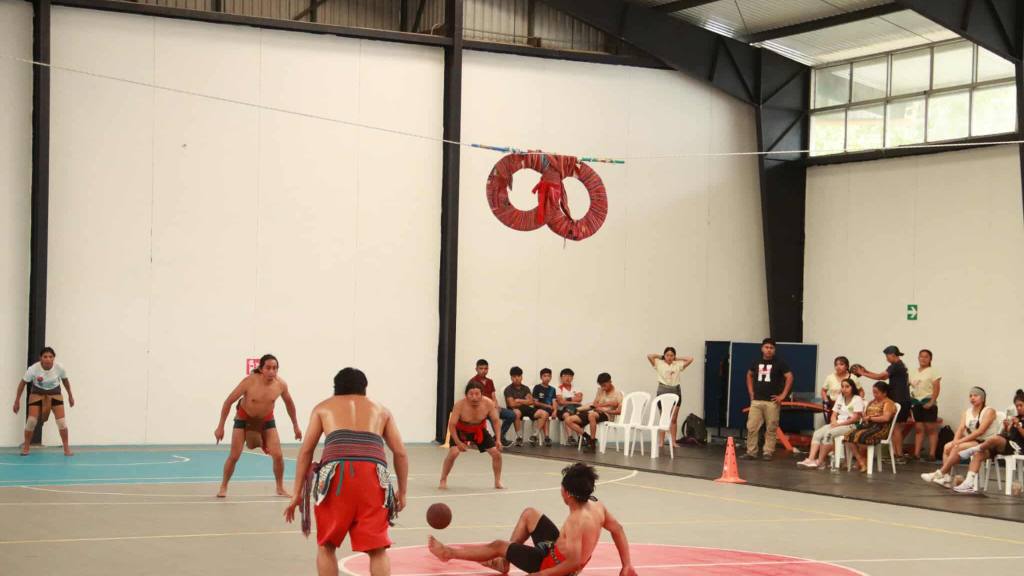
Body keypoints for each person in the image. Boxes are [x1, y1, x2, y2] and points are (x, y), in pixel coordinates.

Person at [284, 367, 408, 576]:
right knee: (378, 550)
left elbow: (306, 451)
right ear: (364, 388)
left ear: (336, 388)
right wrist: (402, 492)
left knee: (326, 546)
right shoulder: (382, 410)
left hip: (337, 477)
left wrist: (297, 493)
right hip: (373, 477)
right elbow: (401, 453)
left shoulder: (323, 408)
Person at [427, 463, 637, 576]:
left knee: (499, 545)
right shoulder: (596, 506)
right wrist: (626, 565)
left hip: (552, 566)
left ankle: (448, 553)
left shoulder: (576, 521)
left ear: (567, 494)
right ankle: (503, 563)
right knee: (530, 514)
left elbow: (573, 563)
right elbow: (617, 529)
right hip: (557, 552)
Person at [214, 354, 302, 498]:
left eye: (275, 368)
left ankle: (280, 487)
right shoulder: (249, 382)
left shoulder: (281, 385)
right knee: (234, 455)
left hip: (266, 420)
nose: (272, 371)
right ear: (261, 369)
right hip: (244, 418)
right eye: (268, 368)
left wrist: (296, 426)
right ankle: (223, 486)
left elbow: (290, 405)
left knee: (278, 455)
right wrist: (220, 427)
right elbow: (228, 402)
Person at [920, 387, 1000, 487]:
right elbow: (961, 428)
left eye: (976, 395)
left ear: (983, 398)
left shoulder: (989, 411)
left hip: (985, 442)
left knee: (957, 447)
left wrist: (960, 441)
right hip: (972, 440)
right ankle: (946, 477)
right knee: (947, 446)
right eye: (970, 396)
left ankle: (940, 473)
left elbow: (980, 431)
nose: (972, 398)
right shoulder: (967, 412)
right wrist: (955, 440)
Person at [953, 389, 1024, 494]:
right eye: (1017, 406)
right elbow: (1009, 435)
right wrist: (1006, 427)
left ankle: (972, 449)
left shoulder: (1019, 421)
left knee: (995, 438)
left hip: (1018, 448)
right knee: (978, 454)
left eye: (1021, 405)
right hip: (1006, 445)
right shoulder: (1016, 418)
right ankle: (969, 483)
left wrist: (1018, 426)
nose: (1018, 408)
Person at [439, 382, 504, 490]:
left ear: (482, 394)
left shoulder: (488, 403)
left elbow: (496, 421)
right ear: (466, 395)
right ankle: (443, 479)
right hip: (461, 430)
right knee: (453, 453)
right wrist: (458, 443)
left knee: (496, 453)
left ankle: (497, 481)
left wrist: (498, 439)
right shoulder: (459, 405)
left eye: (477, 394)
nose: (474, 397)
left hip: (479, 430)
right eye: (471, 394)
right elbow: (452, 425)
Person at [12, 347, 76, 456]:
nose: (48, 359)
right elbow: (22, 383)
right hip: (37, 394)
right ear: (40, 358)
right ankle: (26, 447)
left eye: (50, 357)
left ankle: (66, 448)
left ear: (54, 358)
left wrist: (70, 395)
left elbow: (65, 382)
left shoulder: (59, 368)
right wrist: (17, 400)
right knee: (31, 421)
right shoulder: (33, 369)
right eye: (45, 357)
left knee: (62, 422)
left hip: (55, 394)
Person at [853, 346, 911, 463]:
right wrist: (865, 371)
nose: (886, 359)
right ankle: (896, 455)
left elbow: (881, 377)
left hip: (901, 400)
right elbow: (882, 376)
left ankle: (899, 456)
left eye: (887, 356)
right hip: (902, 399)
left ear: (892, 355)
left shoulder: (896, 365)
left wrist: (863, 373)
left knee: (896, 429)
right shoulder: (899, 365)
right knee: (895, 429)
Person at [741, 338, 793, 461]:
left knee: (771, 427)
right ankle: (751, 452)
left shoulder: (780, 363)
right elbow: (749, 374)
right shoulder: (756, 362)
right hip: (757, 400)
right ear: (762, 348)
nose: (769, 350)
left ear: (774, 350)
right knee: (752, 427)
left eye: (771, 348)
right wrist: (751, 392)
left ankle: (768, 452)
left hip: (772, 401)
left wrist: (783, 395)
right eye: (766, 347)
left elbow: (790, 376)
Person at [798, 378, 863, 469]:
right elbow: (834, 414)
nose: (844, 389)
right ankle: (811, 459)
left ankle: (820, 461)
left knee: (828, 434)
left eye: (847, 387)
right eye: (842, 387)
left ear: (852, 388)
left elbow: (855, 418)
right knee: (817, 433)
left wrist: (838, 425)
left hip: (850, 425)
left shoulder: (857, 399)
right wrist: (833, 422)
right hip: (838, 423)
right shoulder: (840, 397)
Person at [646, 347, 694, 448]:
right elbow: (650, 356)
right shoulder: (659, 363)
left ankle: (673, 441)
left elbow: (690, 359)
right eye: (667, 355)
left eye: (672, 355)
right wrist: (661, 356)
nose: (669, 357)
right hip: (663, 389)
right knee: (663, 417)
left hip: (676, 390)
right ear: (665, 355)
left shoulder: (677, 364)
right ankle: (661, 442)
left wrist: (677, 358)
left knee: (673, 418)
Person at [845, 382, 897, 472]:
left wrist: (870, 418)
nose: (874, 395)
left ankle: (863, 461)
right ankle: (861, 461)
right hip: (869, 426)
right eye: (873, 392)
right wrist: (863, 417)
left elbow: (886, 418)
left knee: (861, 436)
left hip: (881, 428)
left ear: (884, 393)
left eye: (877, 392)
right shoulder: (872, 402)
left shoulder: (888, 403)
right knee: (848, 436)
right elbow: (866, 416)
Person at [564, 373, 623, 449]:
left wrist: (602, 408)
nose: (603, 388)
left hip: (607, 415)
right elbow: (595, 403)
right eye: (601, 386)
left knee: (591, 415)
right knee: (568, 420)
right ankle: (588, 437)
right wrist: (598, 406)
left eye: (604, 385)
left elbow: (619, 412)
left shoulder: (618, 394)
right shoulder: (600, 390)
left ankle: (592, 444)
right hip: (595, 412)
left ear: (610, 381)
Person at [909, 349, 942, 461]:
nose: (923, 359)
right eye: (921, 356)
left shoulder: (933, 371)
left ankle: (932, 454)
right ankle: (916, 453)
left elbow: (936, 387)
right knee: (919, 428)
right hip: (916, 402)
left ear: (930, 359)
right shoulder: (913, 371)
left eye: (926, 357)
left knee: (931, 429)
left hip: (928, 401)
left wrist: (932, 401)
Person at [503, 367, 535, 448]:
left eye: (519, 376)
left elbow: (531, 402)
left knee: (543, 413)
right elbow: (511, 404)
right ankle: (519, 437)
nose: (517, 378)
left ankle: (535, 436)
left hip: (525, 409)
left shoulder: (526, 388)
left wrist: (519, 400)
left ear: (522, 377)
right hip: (513, 410)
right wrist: (525, 401)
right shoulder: (508, 389)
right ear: (511, 378)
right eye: (514, 376)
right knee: (516, 412)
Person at [555, 368, 583, 444]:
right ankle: (570, 437)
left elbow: (579, 399)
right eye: (565, 376)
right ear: (561, 377)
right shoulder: (558, 388)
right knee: (567, 414)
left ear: (572, 378)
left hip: (576, 408)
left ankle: (581, 437)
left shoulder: (576, 387)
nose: (568, 378)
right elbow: (560, 402)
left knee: (579, 415)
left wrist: (567, 399)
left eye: (570, 376)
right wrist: (573, 400)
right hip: (562, 409)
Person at [531, 368, 556, 447]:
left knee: (547, 413)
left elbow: (554, 402)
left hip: (549, 410)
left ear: (551, 377)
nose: (547, 378)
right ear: (541, 377)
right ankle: (546, 437)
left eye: (548, 376)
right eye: (545, 376)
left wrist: (555, 411)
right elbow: (535, 402)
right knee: (545, 414)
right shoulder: (537, 387)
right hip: (538, 409)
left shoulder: (552, 389)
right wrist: (547, 405)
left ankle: (536, 435)